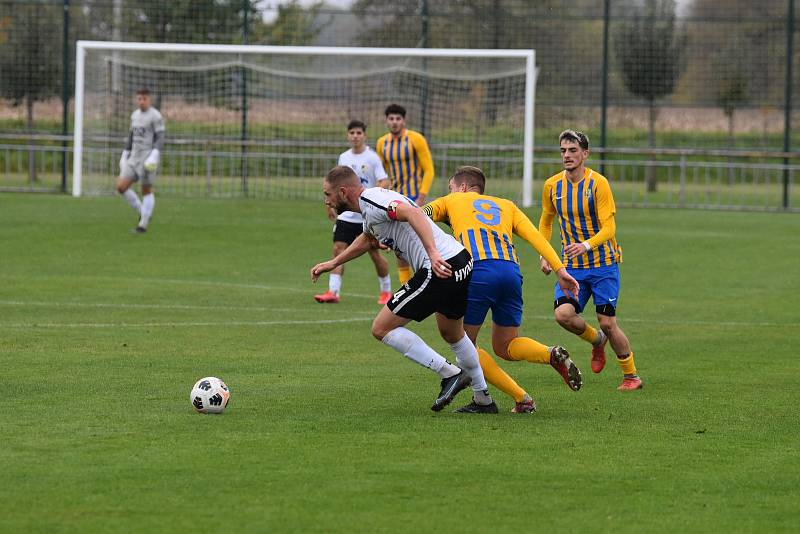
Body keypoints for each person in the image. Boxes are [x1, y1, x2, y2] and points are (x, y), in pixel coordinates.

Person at [311, 165, 497, 413]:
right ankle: (483, 400)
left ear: (343, 192)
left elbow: (413, 213)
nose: (327, 201)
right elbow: (367, 238)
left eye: (328, 194)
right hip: (460, 260)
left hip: (439, 266)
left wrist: (431, 253)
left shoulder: (373, 200)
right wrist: (333, 263)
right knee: (453, 334)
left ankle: (450, 373)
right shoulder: (371, 207)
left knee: (381, 328)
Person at [423, 166, 582, 413]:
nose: (450, 192)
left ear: (463, 187)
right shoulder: (506, 205)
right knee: (507, 345)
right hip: (510, 272)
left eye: (452, 187)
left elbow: (419, 214)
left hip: (478, 272)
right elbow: (535, 237)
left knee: (465, 345)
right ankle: (549, 354)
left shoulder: (451, 200)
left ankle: (519, 398)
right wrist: (560, 270)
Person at [538, 130, 642, 391]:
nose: (567, 155)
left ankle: (631, 377)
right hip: (572, 268)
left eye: (573, 150)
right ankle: (596, 341)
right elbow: (546, 220)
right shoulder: (552, 185)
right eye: (563, 150)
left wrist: (585, 246)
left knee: (608, 322)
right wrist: (545, 253)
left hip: (603, 264)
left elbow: (610, 228)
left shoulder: (598, 184)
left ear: (585, 154)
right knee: (563, 315)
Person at [314, 120, 393, 305]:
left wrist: (373, 198)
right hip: (347, 215)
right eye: (352, 133)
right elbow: (334, 184)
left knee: (374, 253)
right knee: (337, 250)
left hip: (366, 215)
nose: (355, 136)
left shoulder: (372, 157)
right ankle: (333, 291)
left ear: (364, 135)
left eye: (359, 132)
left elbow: (384, 181)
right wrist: (329, 204)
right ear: (347, 135)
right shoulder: (344, 157)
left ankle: (386, 292)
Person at [375, 104, 435, 287]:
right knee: (398, 244)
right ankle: (405, 285)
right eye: (391, 119)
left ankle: (427, 278)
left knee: (420, 241)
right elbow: (382, 173)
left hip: (414, 197)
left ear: (404, 120)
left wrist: (421, 196)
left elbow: (429, 170)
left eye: (398, 119)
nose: (394, 122)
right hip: (394, 200)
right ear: (386, 121)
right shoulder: (382, 143)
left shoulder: (415, 139)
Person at [116, 88, 164, 234]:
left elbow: (160, 137)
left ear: (149, 100)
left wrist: (154, 154)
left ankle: (142, 224)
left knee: (146, 189)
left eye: (144, 99)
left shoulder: (155, 116)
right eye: (139, 99)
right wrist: (125, 154)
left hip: (147, 157)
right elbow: (131, 136)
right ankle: (143, 211)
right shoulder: (134, 115)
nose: (141, 101)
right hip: (134, 157)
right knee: (121, 187)